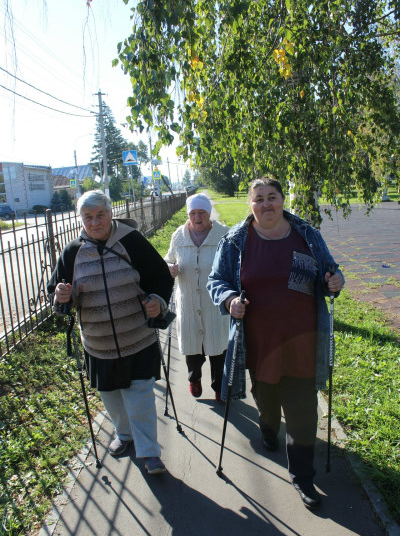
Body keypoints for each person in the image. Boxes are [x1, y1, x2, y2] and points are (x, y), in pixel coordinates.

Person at [207, 178, 344, 508]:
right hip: (259, 343)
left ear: (283, 200)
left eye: (272, 197)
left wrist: (335, 281)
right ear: (250, 204)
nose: (266, 204)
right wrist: (229, 301)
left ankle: (303, 477)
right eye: (259, 199)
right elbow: (217, 280)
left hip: (302, 340)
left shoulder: (307, 235)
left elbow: (330, 273)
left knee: (302, 410)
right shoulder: (235, 241)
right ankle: (268, 428)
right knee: (266, 400)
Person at [47, 190, 173, 475]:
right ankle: (124, 434)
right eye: (88, 217)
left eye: (100, 215)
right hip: (97, 343)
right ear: (81, 219)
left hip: (137, 337)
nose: (94, 222)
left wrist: (157, 301)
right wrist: (61, 296)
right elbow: (57, 292)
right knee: (110, 394)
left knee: (139, 394)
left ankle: (149, 452)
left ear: (110, 213)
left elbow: (160, 276)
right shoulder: (73, 252)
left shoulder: (132, 241)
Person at [165, 193, 229, 402]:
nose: (197, 217)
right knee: (193, 348)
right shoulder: (179, 235)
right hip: (189, 303)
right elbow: (168, 259)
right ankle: (194, 379)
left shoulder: (223, 235)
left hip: (215, 304)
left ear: (209, 214)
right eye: (193, 213)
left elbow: (233, 264)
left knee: (218, 348)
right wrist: (169, 268)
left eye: (202, 212)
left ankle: (219, 386)